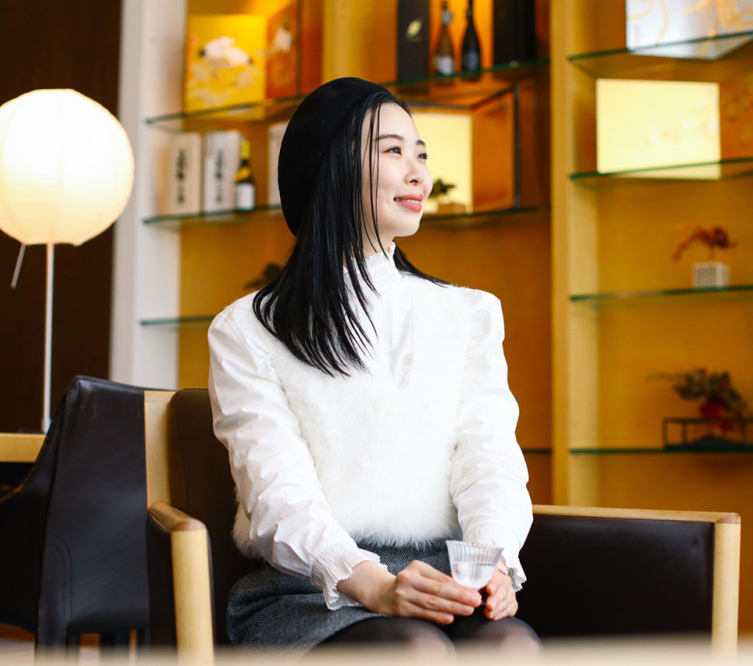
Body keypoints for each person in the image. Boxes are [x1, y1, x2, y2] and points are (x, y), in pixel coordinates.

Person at [208, 77, 538, 654]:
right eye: (393, 151)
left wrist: (492, 562)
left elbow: (489, 456)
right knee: (413, 651)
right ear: (330, 166)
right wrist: (375, 585)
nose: (419, 175)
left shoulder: (469, 313)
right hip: (312, 587)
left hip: (443, 576)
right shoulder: (248, 328)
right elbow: (276, 493)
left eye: (421, 155)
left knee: (508, 648)